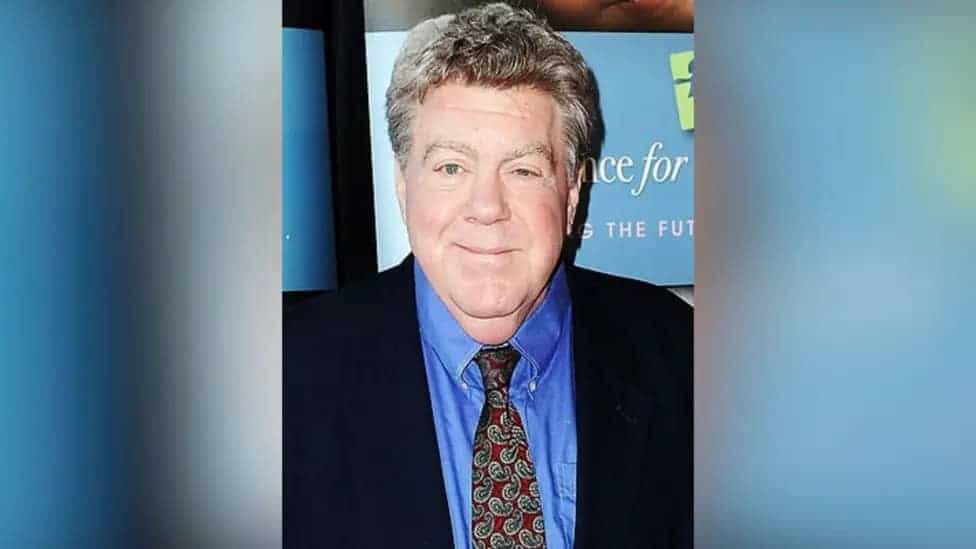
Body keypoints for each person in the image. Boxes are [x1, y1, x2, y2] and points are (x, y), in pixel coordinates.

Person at [285, 4, 691, 548]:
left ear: (572, 193)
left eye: (523, 170)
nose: (487, 208)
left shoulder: (683, 355)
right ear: (403, 186)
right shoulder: (285, 380)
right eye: (451, 167)